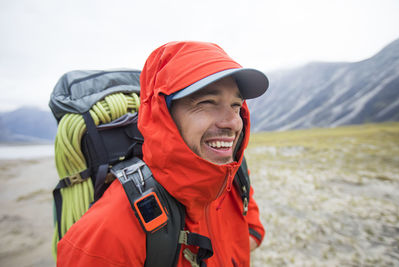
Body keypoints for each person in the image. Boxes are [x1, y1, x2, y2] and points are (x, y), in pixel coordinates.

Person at [57, 41, 268, 266]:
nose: (233, 122)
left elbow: (253, 228)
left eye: (236, 105)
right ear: (162, 115)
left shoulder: (230, 174)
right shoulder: (104, 238)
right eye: (207, 102)